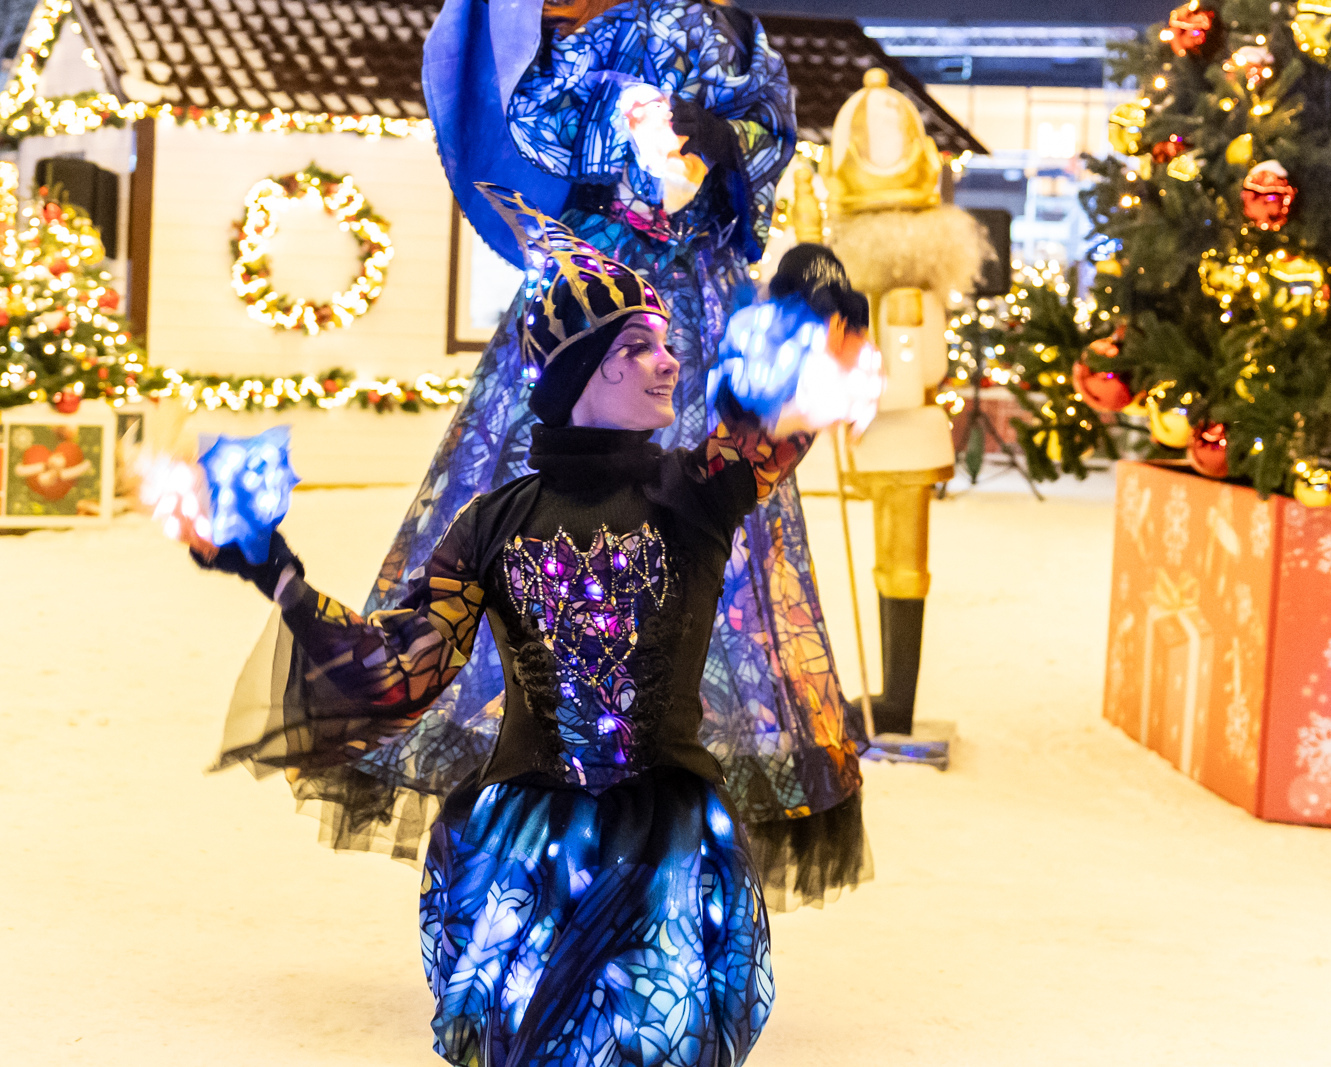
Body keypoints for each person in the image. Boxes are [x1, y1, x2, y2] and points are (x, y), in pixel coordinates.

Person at [199, 187, 879, 1067]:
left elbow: (786, 413)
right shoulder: (492, 522)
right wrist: (276, 572)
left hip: (667, 851)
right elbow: (401, 669)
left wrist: (811, 315)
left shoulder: (698, 489)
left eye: (665, 342)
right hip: (524, 854)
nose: (668, 361)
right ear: (582, 371)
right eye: (637, 346)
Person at [345, 0, 869, 912]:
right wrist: (628, 133)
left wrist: (725, 140)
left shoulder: (733, 31)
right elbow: (535, 118)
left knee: (703, 538)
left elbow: (771, 126)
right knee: (551, 519)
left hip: (701, 304)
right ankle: (543, 773)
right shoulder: (586, 28)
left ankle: (665, 801)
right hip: (596, 298)